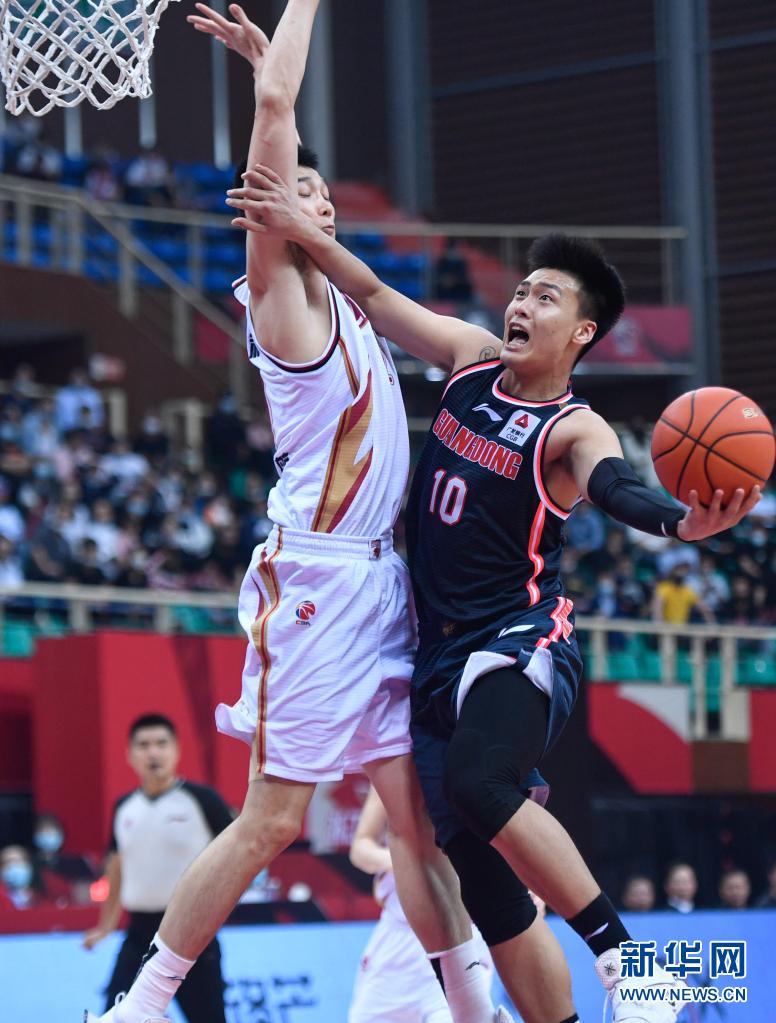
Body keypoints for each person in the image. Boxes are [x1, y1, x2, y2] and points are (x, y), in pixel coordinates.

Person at [229, 165, 761, 1022]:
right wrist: (302, 232)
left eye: (545, 297)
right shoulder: (473, 359)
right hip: (433, 646)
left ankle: (632, 966)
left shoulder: (573, 426)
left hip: (519, 634)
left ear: (581, 331)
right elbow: (373, 293)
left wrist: (679, 523)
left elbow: (618, 486)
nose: (521, 304)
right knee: (479, 874)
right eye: (520, 290)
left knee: (482, 781)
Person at [86, 4, 511, 1022]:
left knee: (416, 825)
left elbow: (281, 112)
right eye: (296, 189)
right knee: (273, 818)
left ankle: (474, 1011)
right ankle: (139, 1005)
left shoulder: (354, 306)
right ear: (270, 210)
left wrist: (260, 78)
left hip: (381, 582)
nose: (314, 199)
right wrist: (272, 67)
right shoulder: (281, 302)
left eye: (323, 193)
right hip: (317, 579)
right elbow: (279, 108)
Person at [83, 715, 232, 1022]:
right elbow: (117, 868)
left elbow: (237, 855)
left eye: (161, 744)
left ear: (176, 750)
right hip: (138, 934)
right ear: (130, 755)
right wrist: (106, 925)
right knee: (112, 1016)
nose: (153, 752)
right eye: (144, 745)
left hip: (193, 935)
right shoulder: (123, 807)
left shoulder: (203, 800)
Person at [349, 785, 495, 1023]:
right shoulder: (390, 770)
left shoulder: (477, 773)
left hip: (462, 937)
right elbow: (361, 848)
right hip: (397, 945)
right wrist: (406, 863)